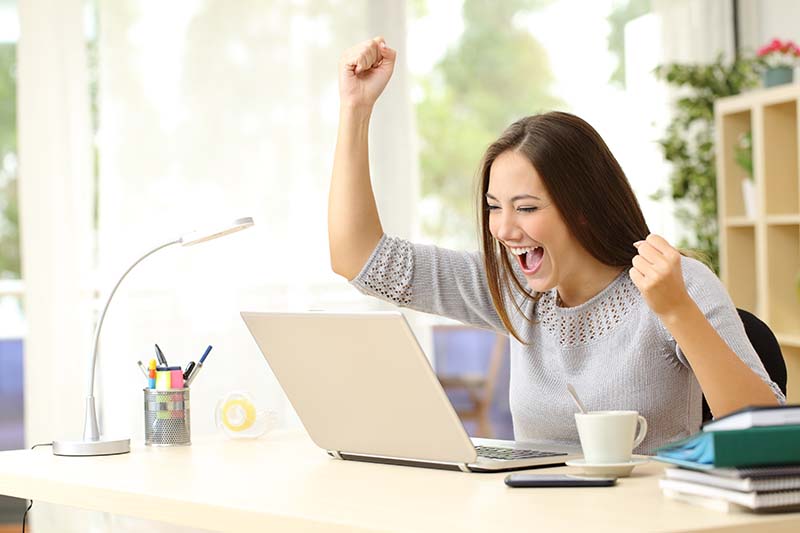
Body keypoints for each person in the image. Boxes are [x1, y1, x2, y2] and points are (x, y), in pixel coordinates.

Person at [328, 37, 784, 453]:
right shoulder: (514, 289)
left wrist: (677, 311)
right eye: (493, 207)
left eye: (526, 208)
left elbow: (767, 434)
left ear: (583, 208)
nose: (504, 230)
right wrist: (356, 108)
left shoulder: (675, 286)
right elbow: (359, 259)